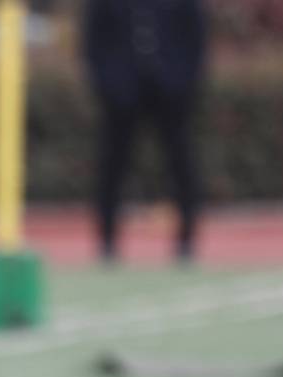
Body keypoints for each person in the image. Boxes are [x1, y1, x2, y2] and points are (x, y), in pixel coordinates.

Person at [82, 0, 207, 263]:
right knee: (112, 166)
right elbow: (93, 40)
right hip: (122, 94)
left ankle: (186, 241)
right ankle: (107, 241)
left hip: (170, 92)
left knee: (181, 164)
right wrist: (109, 85)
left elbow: (196, 36)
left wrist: (183, 83)